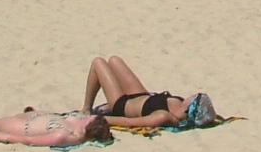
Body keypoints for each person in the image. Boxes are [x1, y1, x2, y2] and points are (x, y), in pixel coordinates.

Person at [81, 56, 218, 130]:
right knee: (114, 60)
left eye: (195, 97)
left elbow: (129, 122)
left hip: (122, 105)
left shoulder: (164, 116)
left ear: (190, 107)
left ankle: (86, 109)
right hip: (141, 95)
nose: (193, 94)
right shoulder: (179, 103)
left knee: (98, 63)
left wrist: (98, 119)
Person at [0, 111, 112, 148]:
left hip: (24, 128)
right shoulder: (77, 123)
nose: (88, 116)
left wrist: (4, 137)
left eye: (91, 118)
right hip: (34, 118)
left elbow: (31, 140)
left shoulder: (67, 135)